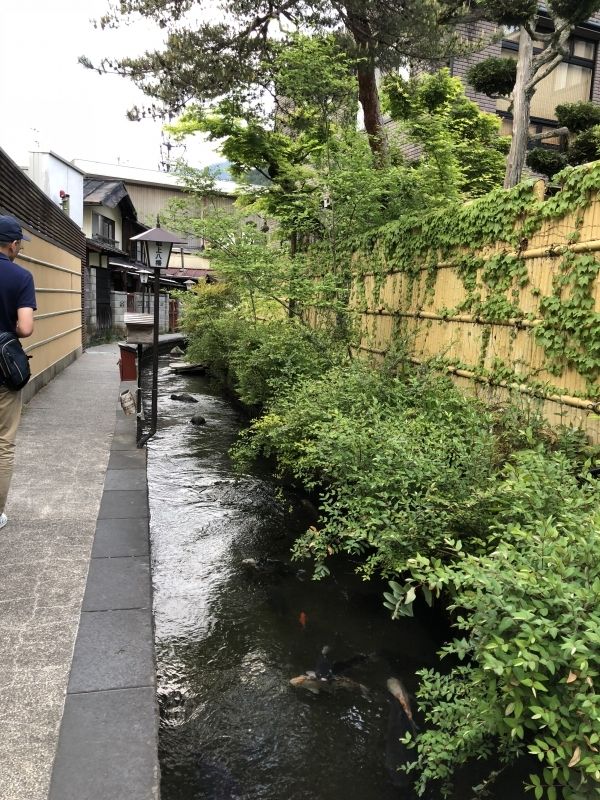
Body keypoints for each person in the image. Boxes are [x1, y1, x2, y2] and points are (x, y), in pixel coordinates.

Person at [0, 215, 36, 530]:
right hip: (3, 372)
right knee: (3, 442)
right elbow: (25, 327)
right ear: (13, 244)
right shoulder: (20, 277)